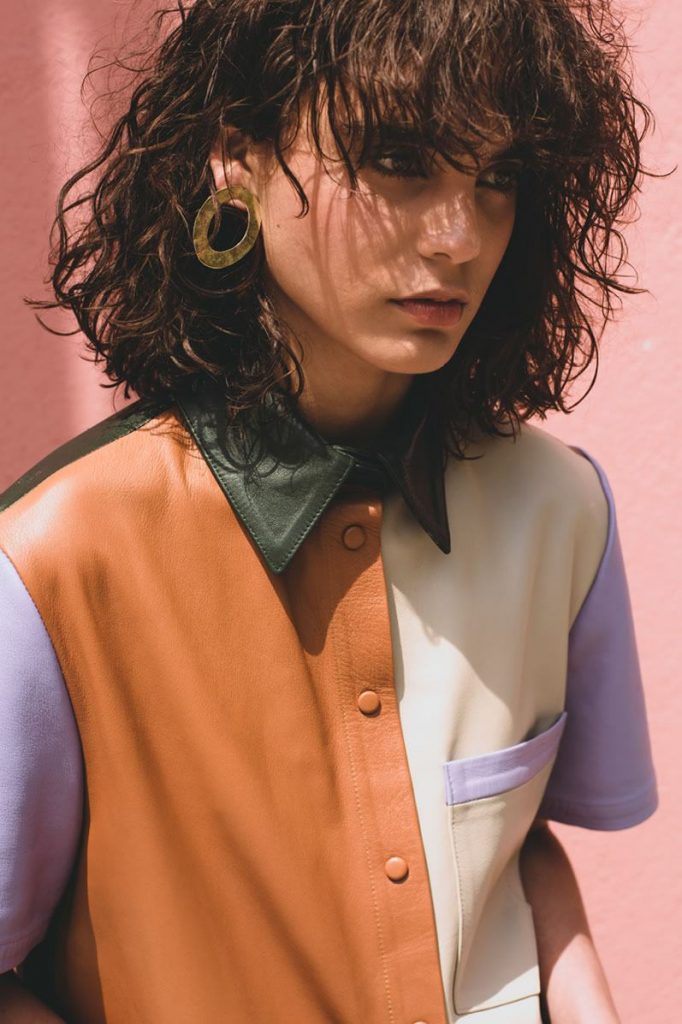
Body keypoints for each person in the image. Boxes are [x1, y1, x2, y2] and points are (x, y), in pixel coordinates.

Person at [0, 0, 659, 1021]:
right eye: (398, 161)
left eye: (497, 178)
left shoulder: (561, 510)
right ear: (236, 160)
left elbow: (514, 850)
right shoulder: (53, 563)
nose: (458, 237)